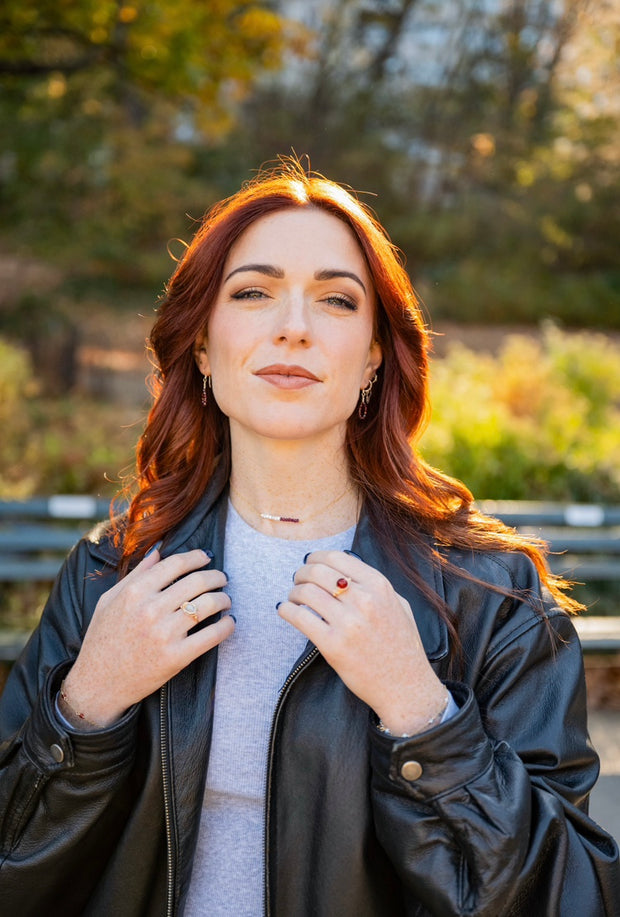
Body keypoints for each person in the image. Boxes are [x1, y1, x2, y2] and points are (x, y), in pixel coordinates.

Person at [0, 159, 618, 917]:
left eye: (334, 299)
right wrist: (84, 708)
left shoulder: (494, 599)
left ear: (373, 357)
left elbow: (574, 897)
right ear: (200, 346)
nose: (292, 325)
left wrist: (423, 712)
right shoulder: (109, 577)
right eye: (253, 292)